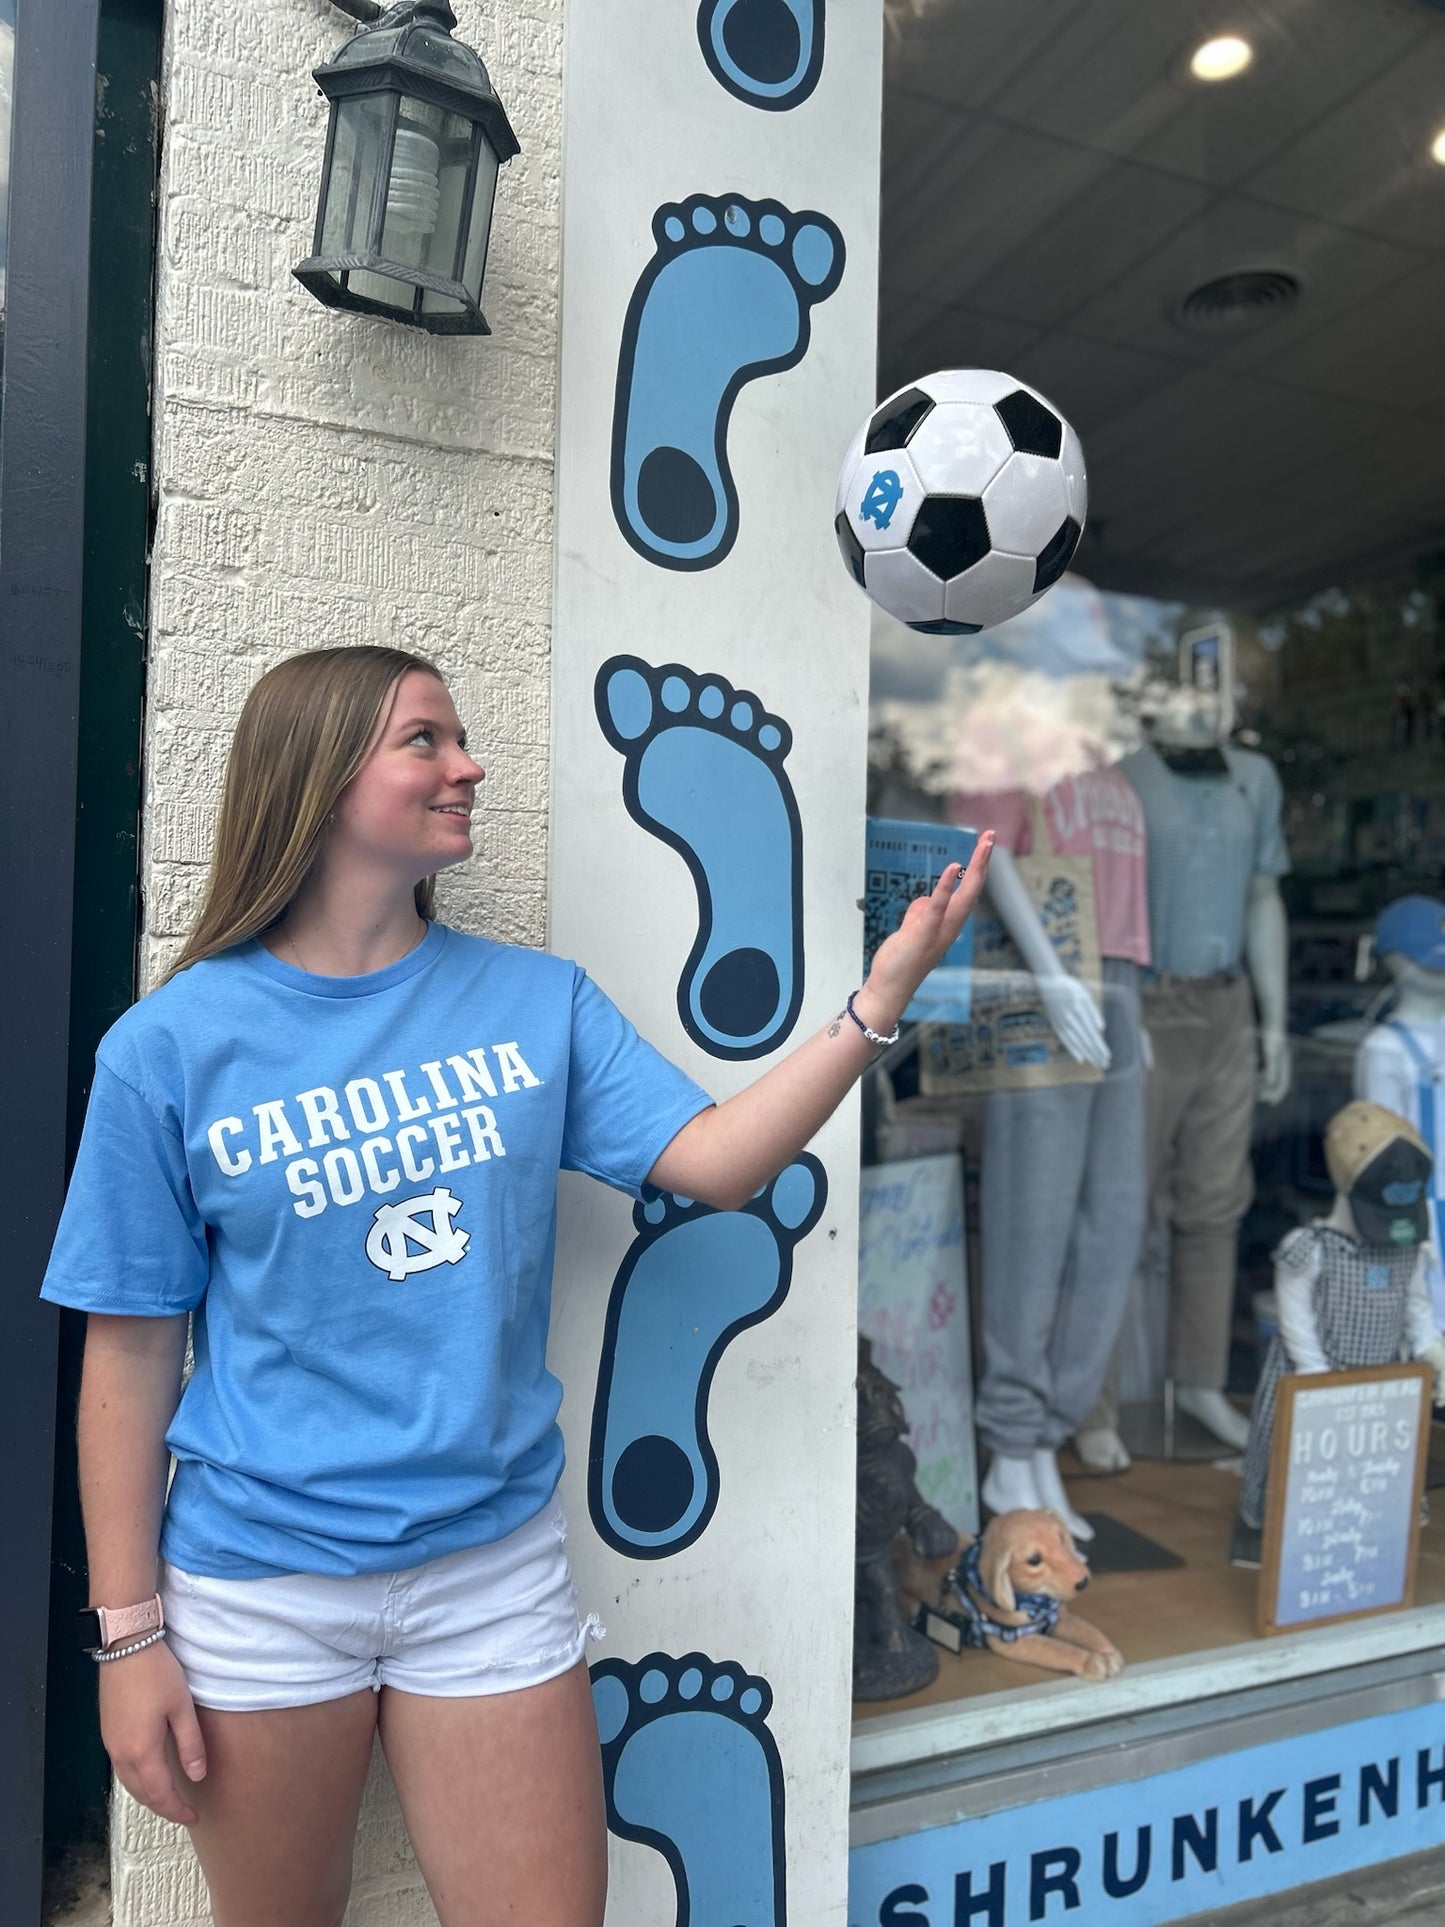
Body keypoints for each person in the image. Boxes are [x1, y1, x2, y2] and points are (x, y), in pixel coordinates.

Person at [42, 645, 992, 1927]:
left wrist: (873, 1006)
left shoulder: (530, 1003)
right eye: (425, 740)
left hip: (486, 1574)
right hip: (257, 1586)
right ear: (318, 778)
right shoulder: (169, 1049)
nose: (467, 765)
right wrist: (129, 1636)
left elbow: (711, 1163)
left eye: (459, 735)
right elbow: (131, 1350)